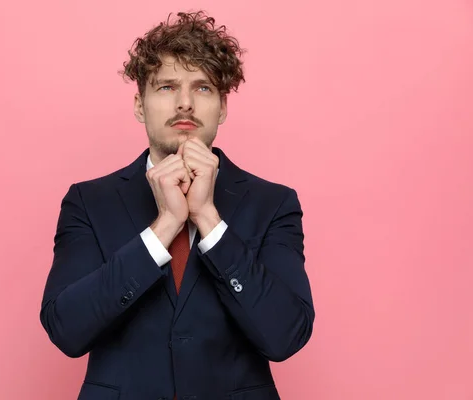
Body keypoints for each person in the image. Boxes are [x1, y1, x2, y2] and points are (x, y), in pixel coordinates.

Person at [40, 10, 314, 400]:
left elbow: (286, 335)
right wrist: (164, 226)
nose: (184, 103)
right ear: (140, 104)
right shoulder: (88, 201)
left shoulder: (273, 203)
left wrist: (209, 219)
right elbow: (66, 329)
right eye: (167, 87)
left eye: (202, 88)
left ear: (222, 107)